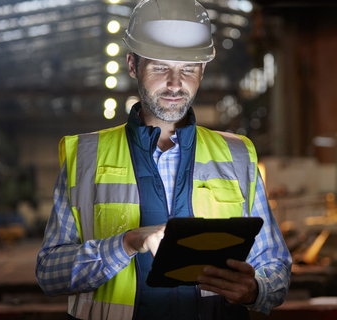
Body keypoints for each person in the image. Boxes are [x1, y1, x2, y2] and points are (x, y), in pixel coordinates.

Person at [36, 0, 292, 319]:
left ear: (203, 70)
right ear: (133, 65)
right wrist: (126, 243)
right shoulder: (85, 156)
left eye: (188, 68)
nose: (175, 83)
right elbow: (50, 273)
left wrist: (256, 290)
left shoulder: (237, 154)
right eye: (160, 67)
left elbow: (276, 265)